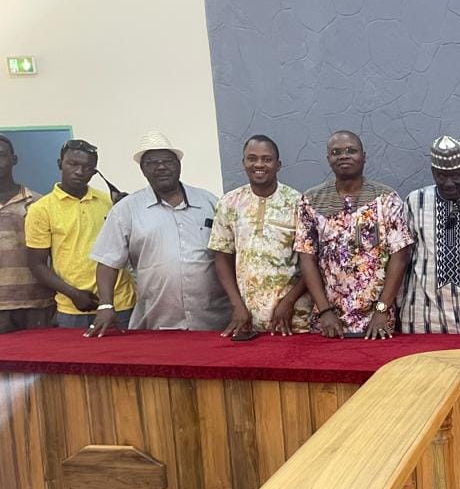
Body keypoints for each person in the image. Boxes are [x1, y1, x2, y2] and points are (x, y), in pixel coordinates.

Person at [86, 131, 230, 335]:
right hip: (157, 322)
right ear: (142, 169)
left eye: (168, 161)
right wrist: (105, 305)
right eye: (152, 162)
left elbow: (229, 255)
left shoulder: (209, 202)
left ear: (179, 165)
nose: (161, 167)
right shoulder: (126, 210)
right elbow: (107, 262)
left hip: (214, 321)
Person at [295, 130, 413, 339]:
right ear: (328, 159)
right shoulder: (311, 200)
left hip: (378, 325)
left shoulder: (386, 198)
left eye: (351, 150)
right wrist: (324, 311)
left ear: (364, 156)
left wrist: (382, 310)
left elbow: (400, 256)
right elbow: (306, 259)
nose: (344, 156)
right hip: (328, 324)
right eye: (336, 152)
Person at [25, 139, 137, 329]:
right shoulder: (41, 209)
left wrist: (131, 208)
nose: (79, 171)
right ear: (60, 164)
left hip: (120, 302)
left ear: (94, 172)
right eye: (73, 164)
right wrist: (74, 294)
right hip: (73, 308)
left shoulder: (109, 202)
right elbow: (37, 264)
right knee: (74, 359)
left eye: (87, 167)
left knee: (126, 357)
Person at [209, 135, 310, 336]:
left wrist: (289, 302)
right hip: (247, 319)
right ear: (243, 162)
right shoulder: (230, 202)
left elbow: (311, 261)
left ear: (278, 165)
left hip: (293, 318)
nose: (259, 164)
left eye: (267, 159)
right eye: (252, 158)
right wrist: (237, 305)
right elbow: (221, 255)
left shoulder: (298, 203)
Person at [397, 135, 460, 334]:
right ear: (433, 173)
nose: (450, 183)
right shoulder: (414, 201)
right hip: (419, 315)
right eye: (442, 176)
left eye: (456, 175)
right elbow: (402, 257)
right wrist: (395, 306)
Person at [0, 134, 53, 332]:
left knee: (40, 361)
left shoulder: (39, 203)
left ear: (14, 160)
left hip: (37, 302)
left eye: (1, 155)